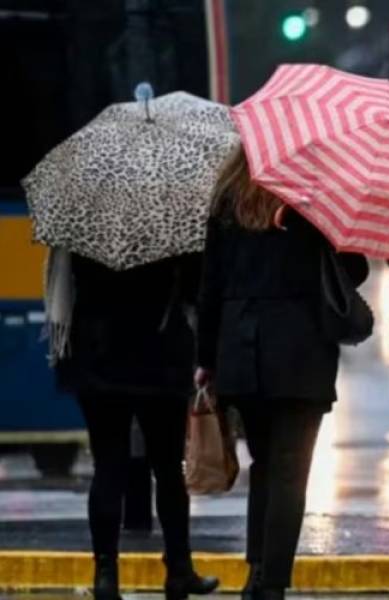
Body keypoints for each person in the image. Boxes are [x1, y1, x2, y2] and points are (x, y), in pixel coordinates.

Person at [195, 147, 368, 600]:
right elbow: (354, 270)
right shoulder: (315, 201)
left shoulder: (227, 201)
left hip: (240, 350)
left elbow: (209, 286)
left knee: (266, 466)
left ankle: (256, 574)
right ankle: (271, 584)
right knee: (291, 473)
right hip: (299, 354)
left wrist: (205, 360)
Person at [53, 252, 219, 600]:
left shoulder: (88, 223)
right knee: (169, 469)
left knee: (108, 466)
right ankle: (179, 569)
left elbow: (73, 287)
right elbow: (194, 290)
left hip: (99, 359)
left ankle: (105, 574)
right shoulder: (170, 225)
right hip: (160, 361)